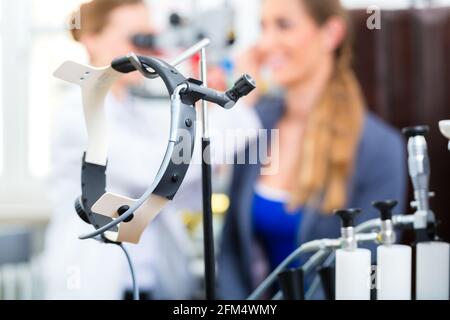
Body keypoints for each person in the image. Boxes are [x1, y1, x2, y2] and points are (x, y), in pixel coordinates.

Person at [42, 0, 260, 300]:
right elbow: (155, 170)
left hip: (153, 282)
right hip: (96, 280)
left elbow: (185, 192)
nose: (147, 52)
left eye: (150, 40)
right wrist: (241, 112)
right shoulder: (77, 113)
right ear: (92, 39)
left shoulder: (136, 110)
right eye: (137, 39)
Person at [218, 0, 407, 299]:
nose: (265, 44)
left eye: (284, 25)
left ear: (331, 33)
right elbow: (229, 249)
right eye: (262, 27)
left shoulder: (381, 148)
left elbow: (370, 269)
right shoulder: (255, 124)